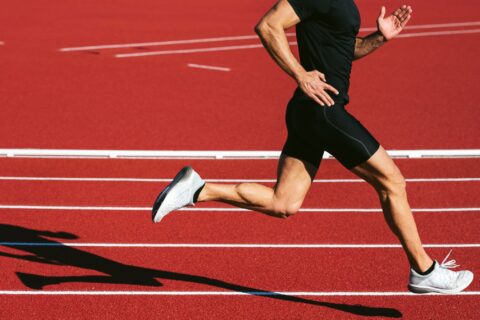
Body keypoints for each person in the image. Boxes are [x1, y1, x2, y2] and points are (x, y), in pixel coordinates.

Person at [152, 0, 473, 294]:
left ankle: (198, 190)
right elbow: (267, 25)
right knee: (392, 181)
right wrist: (300, 74)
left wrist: (380, 36)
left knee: (284, 202)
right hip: (323, 110)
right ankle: (423, 269)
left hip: (310, 112)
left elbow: (346, 48)